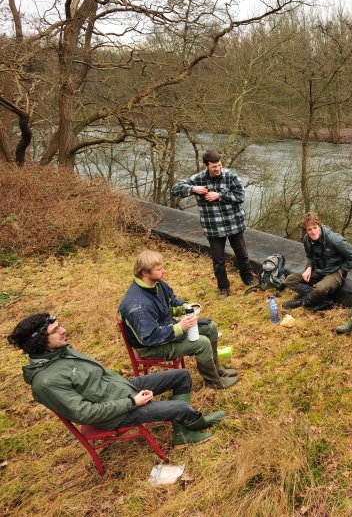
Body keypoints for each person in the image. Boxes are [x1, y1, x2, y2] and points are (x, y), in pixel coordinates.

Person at [8, 313, 225, 445]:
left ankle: (182, 431)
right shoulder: (46, 382)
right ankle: (189, 424)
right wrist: (132, 402)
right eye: (56, 330)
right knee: (180, 407)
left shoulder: (59, 351)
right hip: (115, 413)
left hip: (120, 388)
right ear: (39, 342)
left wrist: (129, 391)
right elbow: (84, 413)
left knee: (182, 376)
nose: (64, 330)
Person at [119, 250, 238, 389]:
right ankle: (215, 383)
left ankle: (217, 370)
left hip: (167, 329)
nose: (164, 271)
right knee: (202, 343)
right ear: (145, 273)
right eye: (159, 269)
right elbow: (150, 338)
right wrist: (180, 327)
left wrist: (186, 307)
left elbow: (171, 303)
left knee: (210, 327)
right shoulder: (138, 306)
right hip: (151, 347)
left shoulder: (157, 285)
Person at [171, 150, 254, 298]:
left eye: (219, 165)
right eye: (214, 166)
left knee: (242, 254)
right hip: (213, 227)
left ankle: (249, 280)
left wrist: (220, 195)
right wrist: (192, 189)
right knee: (218, 259)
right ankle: (223, 288)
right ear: (206, 166)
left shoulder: (231, 176)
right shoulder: (198, 179)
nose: (218, 169)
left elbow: (241, 196)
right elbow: (175, 190)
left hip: (234, 223)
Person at [283, 212, 352, 312]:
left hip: (335, 272)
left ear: (319, 225)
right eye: (309, 229)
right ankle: (322, 300)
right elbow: (310, 257)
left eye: (315, 227)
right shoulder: (307, 239)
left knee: (320, 289)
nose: (313, 232)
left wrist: (342, 271)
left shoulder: (334, 239)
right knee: (290, 280)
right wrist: (309, 268)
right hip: (319, 270)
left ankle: (303, 301)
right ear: (306, 231)